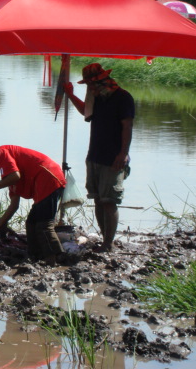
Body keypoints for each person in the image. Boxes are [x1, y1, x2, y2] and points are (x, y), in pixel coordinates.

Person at [64, 63, 135, 252]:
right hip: (94, 155)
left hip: (114, 158)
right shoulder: (98, 98)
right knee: (97, 199)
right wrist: (70, 95)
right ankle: (105, 239)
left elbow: (127, 127)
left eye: (91, 85)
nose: (89, 89)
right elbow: (87, 113)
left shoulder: (122, 98)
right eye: (87, 86)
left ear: (102, 82)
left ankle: (108, 244)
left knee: (109, 201)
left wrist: (123, 153)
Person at [0, 144, 66, 264]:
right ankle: (36, 257)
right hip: (43, 184)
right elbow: (14, 205)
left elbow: (15, 176)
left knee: (43, 225)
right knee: (31, 223)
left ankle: (56, 258)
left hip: (49, 178)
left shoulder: (0, 153)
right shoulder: (7, 173)